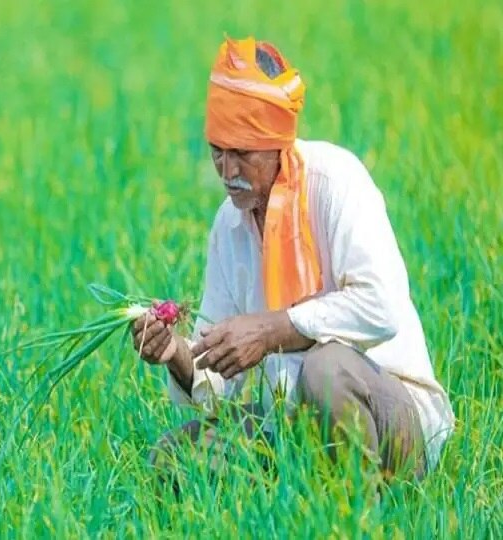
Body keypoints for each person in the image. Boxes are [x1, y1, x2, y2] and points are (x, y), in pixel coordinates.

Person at [131, 36, 455, 482]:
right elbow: (219, 377)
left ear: (276, 144)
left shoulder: (336, 183)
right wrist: (176, 355)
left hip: (392, 424)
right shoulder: (229, 225)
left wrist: (271, 332)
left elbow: (381, 308)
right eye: (217, 152)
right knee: (173, 457)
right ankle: (296, 496)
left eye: (242, 154)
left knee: (326, 370)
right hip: (289, 425)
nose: (227, 173)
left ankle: (357, 517)